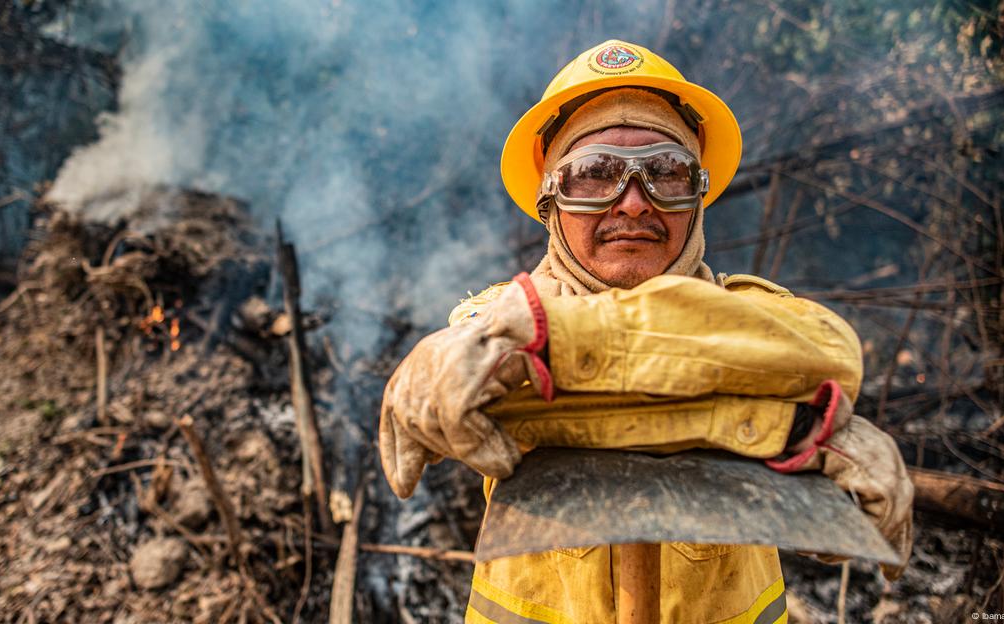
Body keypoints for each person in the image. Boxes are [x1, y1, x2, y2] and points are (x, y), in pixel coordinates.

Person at [379, 39, 914, 623]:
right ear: (548, 200)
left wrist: (553, 350)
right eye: (594, 174)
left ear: (699, 195)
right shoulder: (491, 323)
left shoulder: (763, 319)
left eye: (665, 172)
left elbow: (820, 344)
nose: (634, 203)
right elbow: (470, 341)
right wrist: (767, 415)